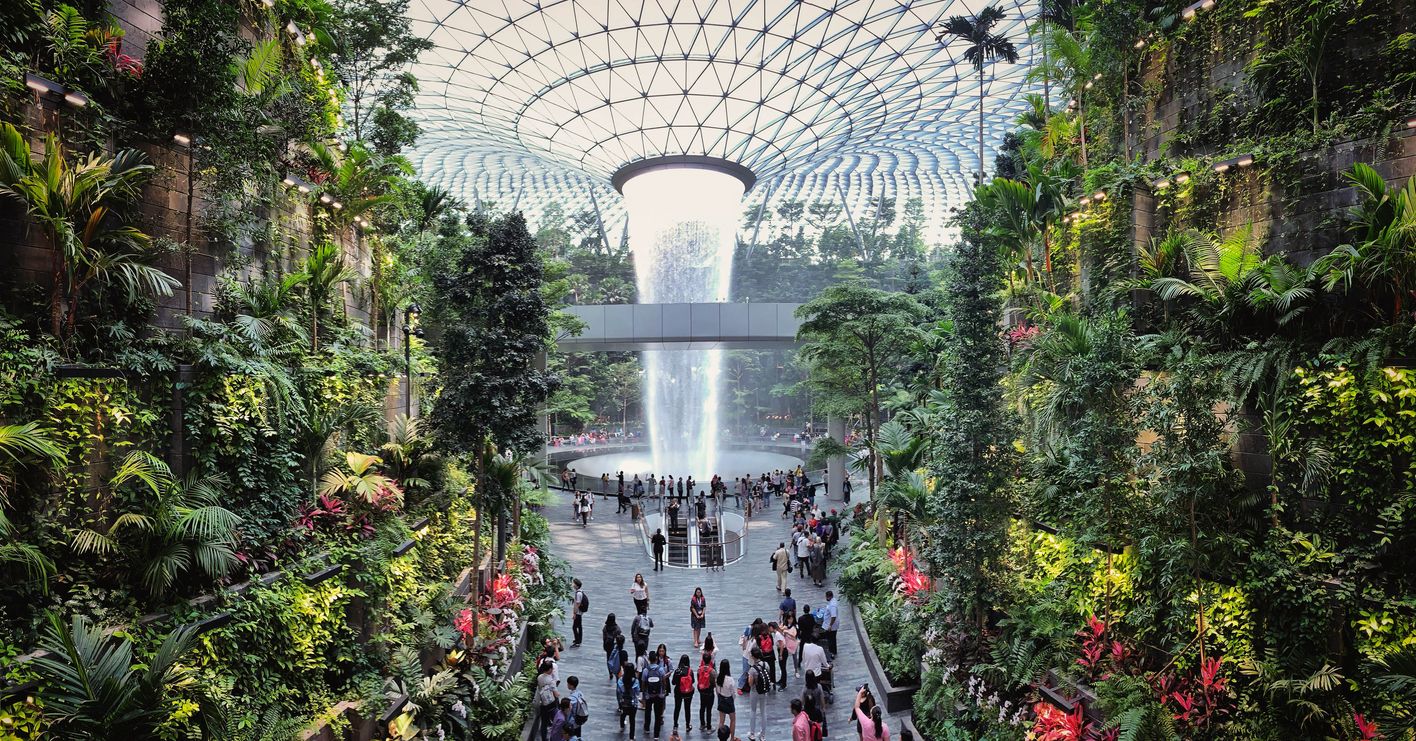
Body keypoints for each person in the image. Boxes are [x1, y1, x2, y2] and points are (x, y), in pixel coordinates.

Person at [641, 644, 670, 739]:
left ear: (649, 660)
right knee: (658, 715)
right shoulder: (661, 670)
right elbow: (664, 682)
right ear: (656, 659)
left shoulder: (645, 671)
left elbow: (643, 683)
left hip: (649, 695)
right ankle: (656, 735)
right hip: (659, 695)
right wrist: (664, 690)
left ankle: (647, 728)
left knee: (648, 712)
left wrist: (644, 693)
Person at [745, 648, 769, 741]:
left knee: (753, 711)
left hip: (755, 691)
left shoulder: (752, 669)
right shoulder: (766, 664)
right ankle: (763, 735)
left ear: (753, 657)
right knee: (763, 712)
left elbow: (750, 684)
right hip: (764, 690)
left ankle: (752, 733)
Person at [535, 660, 560, 741]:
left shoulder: (539, 677)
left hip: (543, 703)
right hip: (551, 704)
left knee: (544, 724)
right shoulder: (551, 681)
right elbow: (556, 694)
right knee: (557, 721)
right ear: (549, 669)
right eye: (552, 669)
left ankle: (544, 739)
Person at [672, 654, 695, 732]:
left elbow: (673, 682)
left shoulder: (677, 671)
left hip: (678, 692)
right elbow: (693, 681)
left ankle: (675, 725)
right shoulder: (690, 671)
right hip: (688, 693)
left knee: (677, 708)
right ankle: (687, 725)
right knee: (687, 708)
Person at [715, 659, 737, 740]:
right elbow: (733, 693)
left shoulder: (718, 678)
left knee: (721, 720)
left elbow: (717, 690)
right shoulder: (730, 680)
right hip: (729, 700)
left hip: (721, 699)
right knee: (733, 720)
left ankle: (721, 737)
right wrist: (732, 700)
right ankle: (731, 738)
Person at [618, 664, 641, 740]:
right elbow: (637, 692)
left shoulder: (621, 680)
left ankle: (622, 726)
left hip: (623, 702)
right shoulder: (635, 681)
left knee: (623, 714)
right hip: (633, 703)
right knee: (632, 720)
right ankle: (631, 737)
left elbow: (619, 691)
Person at [697, 650, 716, 730]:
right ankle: (709, 727)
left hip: (702, 692)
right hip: (709, 692)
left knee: (702, 708)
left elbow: (698, 679)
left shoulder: (699, 670)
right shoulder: (712, 671)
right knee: (709, 710)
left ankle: (702, 724)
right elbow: (714, 682)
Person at [822, 592, 840, 658]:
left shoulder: (832, 605)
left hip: (831, 626)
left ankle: (831, 652)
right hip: (831, 624)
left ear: (829, 597)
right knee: (833, 638)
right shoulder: (833, 602)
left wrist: (830, 625)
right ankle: (834, 651)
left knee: (830, 639)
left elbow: (833, 616)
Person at [570, 579, 587, 646]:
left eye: (573, 584)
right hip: (579, 612)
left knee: (574, 627)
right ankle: (579, 639)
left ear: (576, 585)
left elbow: (578, 604)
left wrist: (574, 613)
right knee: (579, 626)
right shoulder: (580, 592)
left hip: (578, 613)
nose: (572, 585)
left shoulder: (578, 593)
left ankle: (577, 641)